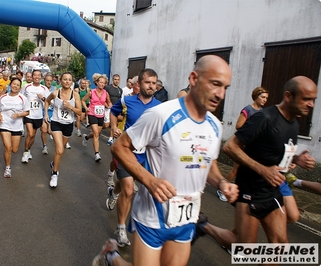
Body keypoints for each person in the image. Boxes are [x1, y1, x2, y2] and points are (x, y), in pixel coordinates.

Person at [94, 55, 238, 266]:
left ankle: (110, 254)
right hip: (152, 217)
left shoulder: (215, 126)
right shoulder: (161, 114)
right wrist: (149, 180)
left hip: (187, 218)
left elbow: (208, 164)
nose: (220, 94)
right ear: (193, 78)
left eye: (225, 87)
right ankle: (111, 256)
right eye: (215, 84)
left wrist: (222, 182)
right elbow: (119, 147)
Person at [223, 76, 317, 251]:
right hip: (251, 191)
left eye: (313, 100)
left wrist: (296, 159)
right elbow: (230, 147)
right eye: (306, 99)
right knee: (246, 249)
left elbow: (278, 156)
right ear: (288, 96)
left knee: (281, 246)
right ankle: (205, 227)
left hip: (272, 191)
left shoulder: (294, 124)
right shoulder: (264, 118)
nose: (311, 104)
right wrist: (263, 170)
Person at [106, 69, 161, 247]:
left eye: (154, 83)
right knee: (129, 190)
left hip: (147, 155)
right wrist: (114, 128)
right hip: (127, 151)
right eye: (147, 82)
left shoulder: (160, 107)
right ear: (139, 84)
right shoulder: (126, 100)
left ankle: (114, 192)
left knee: (123, 186)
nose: (151, 86)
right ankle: (121, 228)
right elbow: (113, 113)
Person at [217, 86, 269, 201]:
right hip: (242, 145)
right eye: (263, 97)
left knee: (247, 171)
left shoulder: (262, 112)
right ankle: (222, 190)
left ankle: (240, 192)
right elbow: (238, 126)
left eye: (266, 98)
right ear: (256, 97)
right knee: (236, 170)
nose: (265, 100)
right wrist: (253, 128)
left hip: (253, 146)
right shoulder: (248, 110)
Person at [45, 71, 82, 188]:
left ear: (72, 82)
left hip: (68, 125)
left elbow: (80, 112)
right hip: (56, 123)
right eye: (65, 79)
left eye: (69, 79)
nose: (67, 81)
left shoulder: (75, 95)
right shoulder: (55, 93)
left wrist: (71, 107)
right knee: (60, 150)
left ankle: (53, 163)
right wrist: (46, 114)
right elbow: (46, 101)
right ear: (60, 81)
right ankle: (54, 174)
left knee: (60, 152)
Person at [0, 77, 30, 178]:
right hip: (5, 124)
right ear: (10, 85)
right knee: (8, 147)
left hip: (17, 126)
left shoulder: (23, 98)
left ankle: (8, 163)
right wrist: (0, 117)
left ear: (20, 88)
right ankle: (7, 168)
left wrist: (18, 115)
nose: (15, 86)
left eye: (17, 85)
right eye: (14, 84)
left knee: (14, 150)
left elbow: (27, 112)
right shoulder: (3, 97)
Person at [21, 70, 50, 163]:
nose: (37, 77)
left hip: (38, 116)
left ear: (41, 77)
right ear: (32, 77)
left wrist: (43, 98)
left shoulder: (44, 89)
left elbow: (49, 102)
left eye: (38, 75)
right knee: (29, 133)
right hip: (28, 114)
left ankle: (28, 150)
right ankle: (25, 153)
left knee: (33, 135)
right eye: (35, 75)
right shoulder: (26, 87)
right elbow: (21, 98)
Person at [81, 75, 112, 162]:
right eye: (100, 82)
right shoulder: (91, 92)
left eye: (104, 83)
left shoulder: (106, 93)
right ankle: (97, 154)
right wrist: (86, 108)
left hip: (101, 115)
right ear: (97, 83)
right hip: (92, 114)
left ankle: (86, 137)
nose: (102, 84)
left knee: (97, 133)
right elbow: (83, 100)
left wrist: (109, 106)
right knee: (96, 134)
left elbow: (109, 103)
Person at [104, 74, 122, 145]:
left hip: (116, 109)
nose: (116, 81)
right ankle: (97, 130)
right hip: (108, 109)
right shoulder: (108, 87)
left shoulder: (120, 90)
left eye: (118, 79)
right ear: (112, 80)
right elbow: (104, 96)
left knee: (114, 124)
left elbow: (120, 100)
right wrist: (106, 104)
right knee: (106, 125)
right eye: (115, 79)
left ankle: (111, 138)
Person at [41, 73, 55, 155]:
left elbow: (53, 102)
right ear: (44, 81)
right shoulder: (41, 89)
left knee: (50, 131)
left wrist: (44, 99)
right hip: (43, 111)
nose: (49, 82)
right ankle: (45, 146)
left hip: (53, 112)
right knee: (43, 130)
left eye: (50, 81)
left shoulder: (55, 89)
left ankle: (62, 140)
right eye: (47, 80)